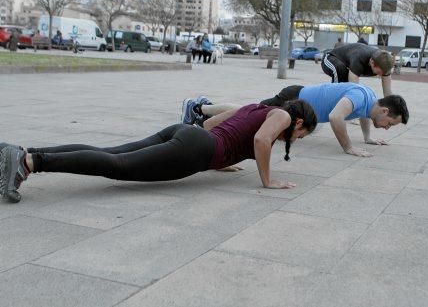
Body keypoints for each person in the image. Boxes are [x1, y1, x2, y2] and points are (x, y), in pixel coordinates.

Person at [0, 100, 318, 203]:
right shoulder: (283, 116)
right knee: (117, 165)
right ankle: (29, 163)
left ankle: (24, 153)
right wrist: (268, 180)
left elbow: (211, 126)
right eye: (302, 135)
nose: (297, 138)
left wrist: (223, 159)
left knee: (110, 152)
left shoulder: (256, 106)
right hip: (196, 149)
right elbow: (262, 141)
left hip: (188, 135)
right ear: (299, 121)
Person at [181, 83, 409, 157]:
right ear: (386, 111)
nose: (387, 128)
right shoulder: (360, 96)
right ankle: (198, 107)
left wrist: (367, 138)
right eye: (390, 124)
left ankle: (203, 106)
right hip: (293, 99)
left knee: (249, 112)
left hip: (297, 100)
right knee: (247, 113)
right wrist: (349, 147)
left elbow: (362, 116)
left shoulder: (369, 101)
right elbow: (335, 117)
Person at [321, 43, 394, 97]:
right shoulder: (359, 58)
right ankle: (330, 100)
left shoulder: (385, 64)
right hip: (330, 58)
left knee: (345, 82)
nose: (380, 75)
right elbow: (354, 90)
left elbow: (387, 93)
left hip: (347, 63)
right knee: (341, 71)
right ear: (372, 62)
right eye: (379, 72)